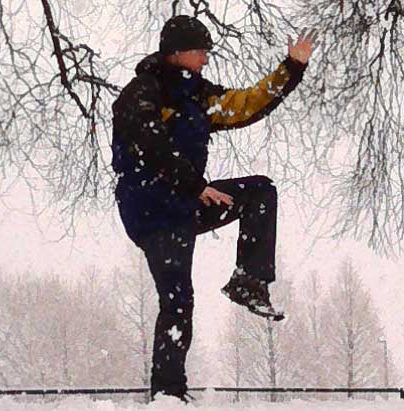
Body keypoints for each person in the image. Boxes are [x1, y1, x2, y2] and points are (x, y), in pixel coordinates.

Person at [110, 15, 315, 402]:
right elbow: (151, 147)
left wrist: (293, 67)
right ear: (178, 52)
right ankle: (168, 396)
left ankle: (249, 281)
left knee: (259, 193)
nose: (206, 59)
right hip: (151, 212)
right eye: (201, 52)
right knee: (177, 300)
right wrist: (196, 186)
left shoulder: (198, 97)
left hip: (188, 201)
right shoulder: (141, 94)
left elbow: (246, 104)